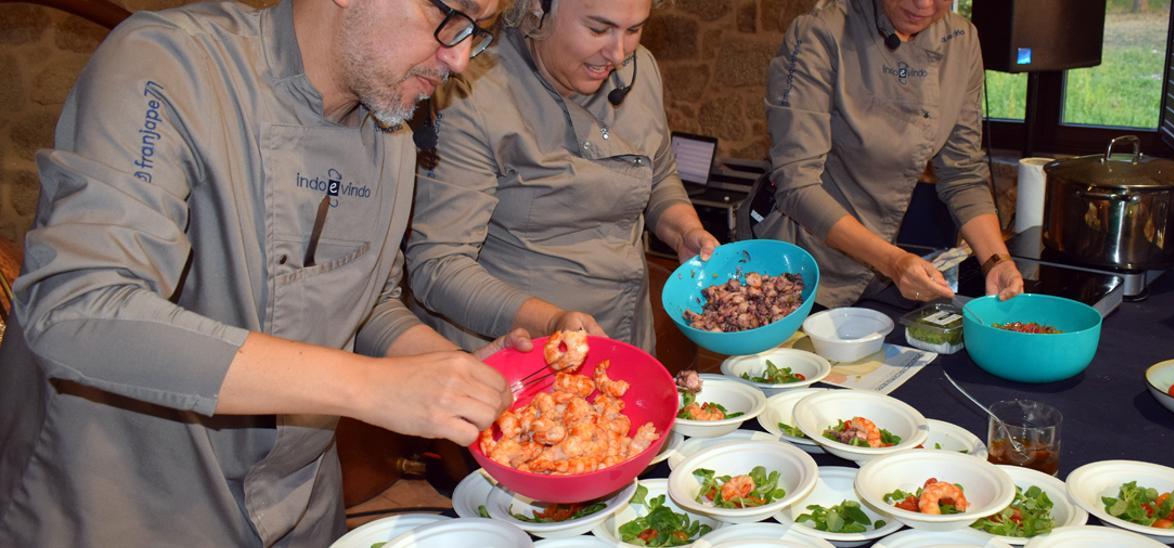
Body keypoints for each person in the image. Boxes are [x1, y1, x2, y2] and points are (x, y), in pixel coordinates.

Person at [0, 0, 522, 545]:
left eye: (476, 33)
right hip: (127, 501)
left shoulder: (390, 121)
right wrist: (372, 388)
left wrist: (451, 372)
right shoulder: (170, 63)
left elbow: (367, 299)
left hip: (299, 502)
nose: (459, 59)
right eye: (451, 17)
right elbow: (81, 310)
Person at [404, 0, 718, 353]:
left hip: (624, 330)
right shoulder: (473, 90)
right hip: (521, 348)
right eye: (598, 29)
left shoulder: (640, 67)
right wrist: (550, 321)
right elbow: (439, 266)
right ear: (538, 10)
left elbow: (658, 175)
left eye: (633, 30)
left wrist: (683, 230)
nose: (617, 54)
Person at [756, 0, 1023, 308]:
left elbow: (963, 172)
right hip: (797, 262)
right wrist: (893, 263)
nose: (923, 3)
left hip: (880, 262)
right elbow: (796, 184)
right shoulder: (821, 32)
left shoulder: (961, 40)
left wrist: (996, 260)